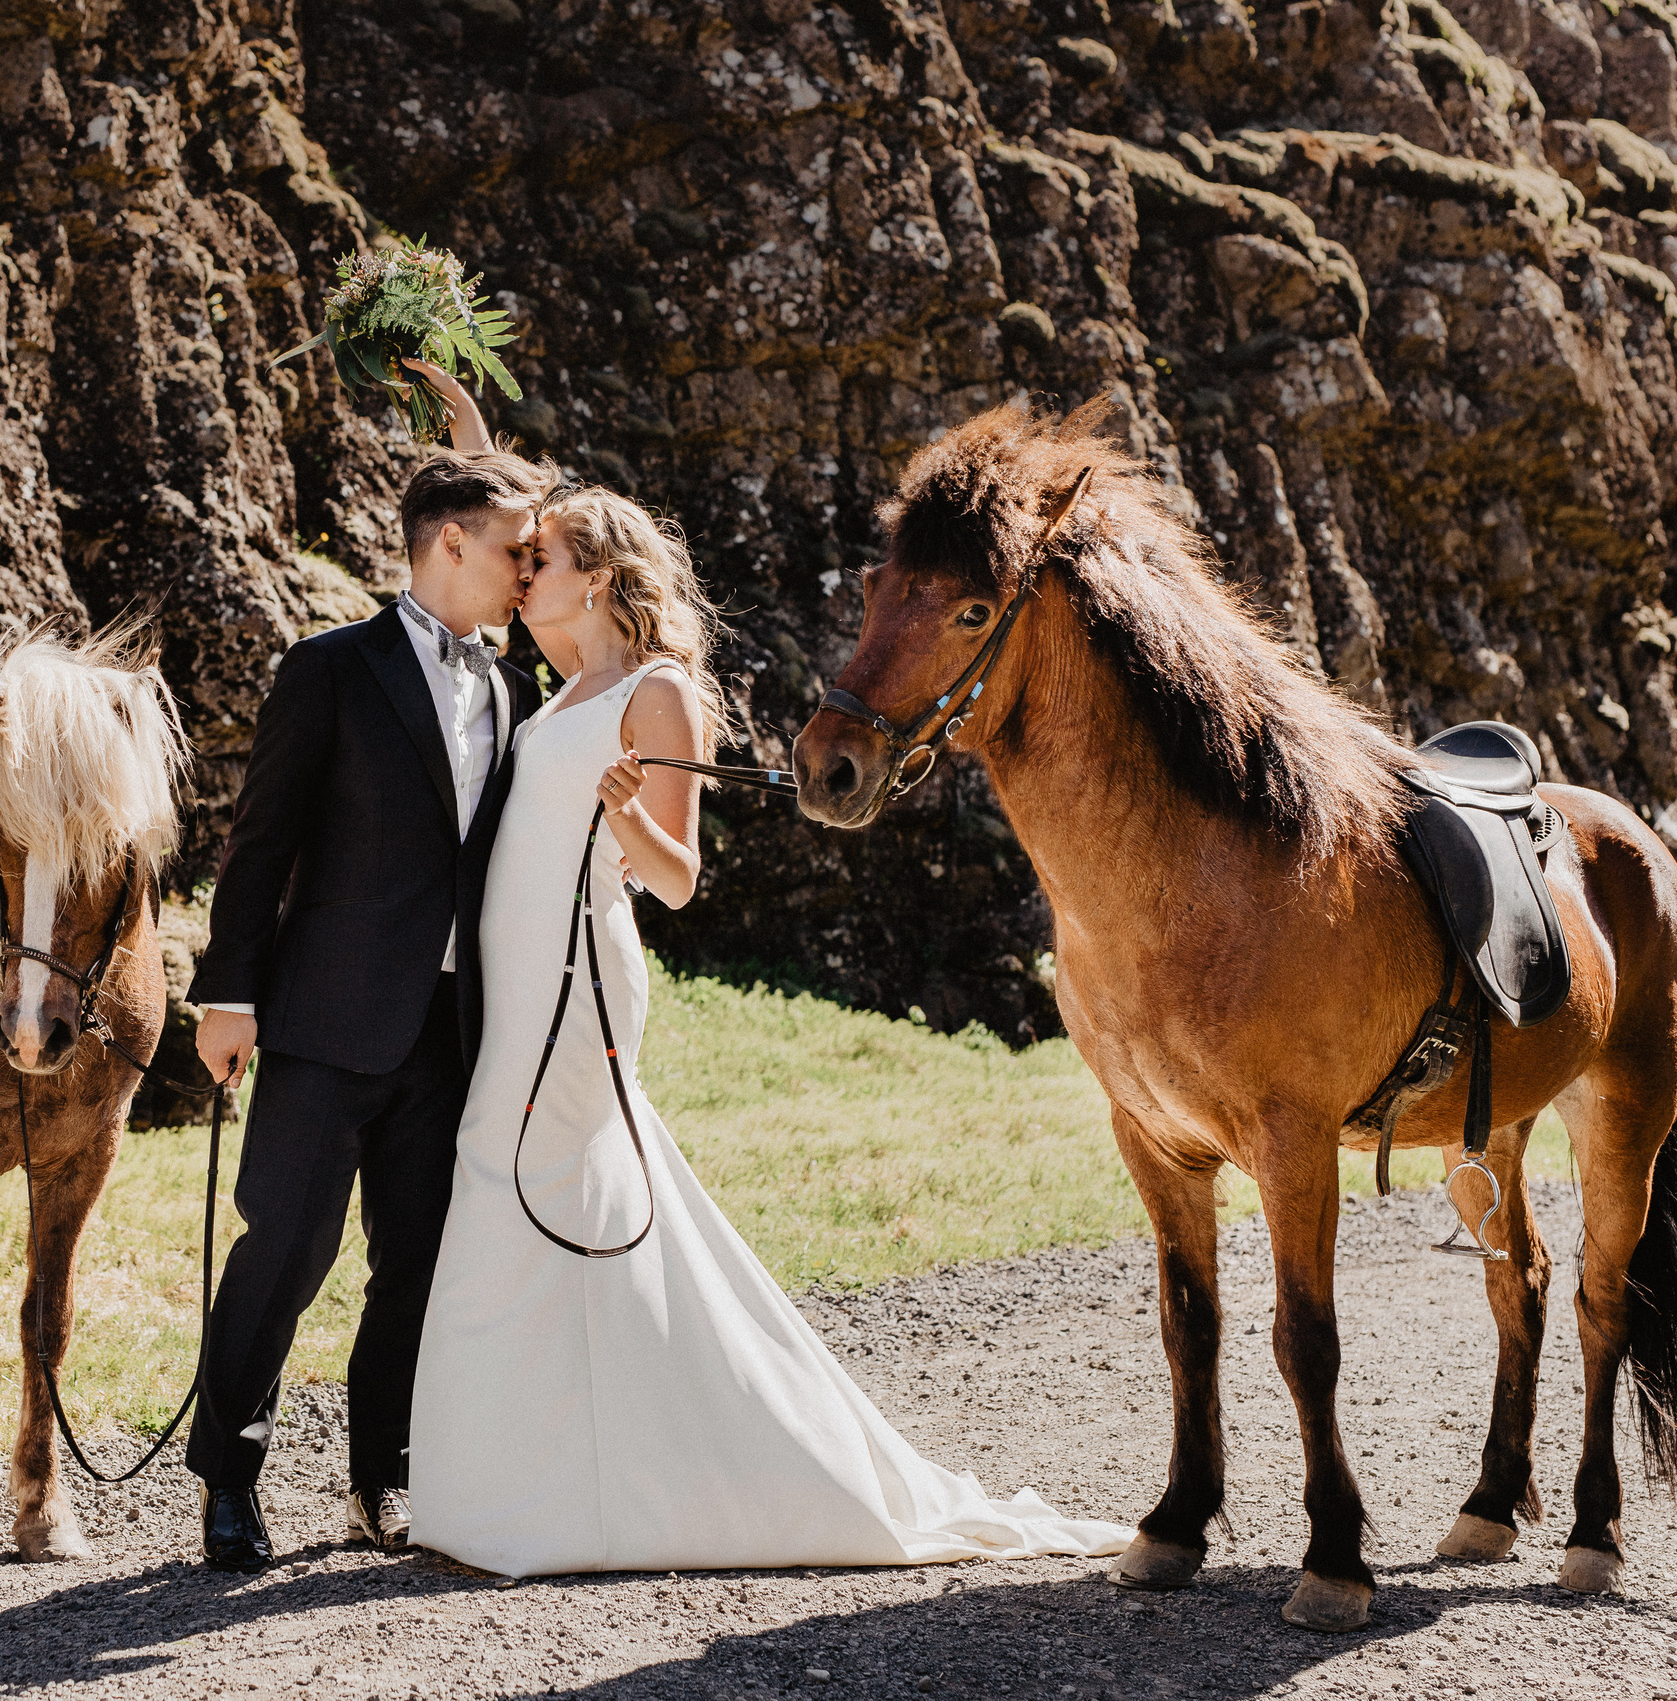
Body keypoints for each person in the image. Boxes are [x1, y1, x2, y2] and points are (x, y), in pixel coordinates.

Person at [400, 371, 1133, 1576]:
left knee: (539, 1195)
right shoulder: (558, 691)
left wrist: (626, 816)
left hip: (583, 984)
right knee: (520, 1205)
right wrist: (473, 444)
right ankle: (526, 1488)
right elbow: (504, 535)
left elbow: (675, 877)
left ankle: (582, 1492)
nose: (520, 575)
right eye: (519, 562)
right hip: (521, 986)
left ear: (601, 577)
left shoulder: (658, 692)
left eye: (541, 562)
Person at [186, 432, 558, 1571]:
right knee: (283, 1251)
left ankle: (379, 1478)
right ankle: (229, 1481)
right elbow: (261, 847)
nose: (530, 572)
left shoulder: (509, 684)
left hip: (450, 1037)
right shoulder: (329, 668)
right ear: (450, 544)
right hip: (323, 1020)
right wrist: (227, 995)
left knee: (418, 1266)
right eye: (514, 551)